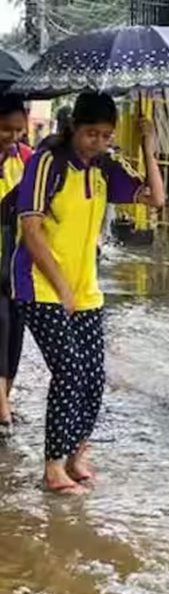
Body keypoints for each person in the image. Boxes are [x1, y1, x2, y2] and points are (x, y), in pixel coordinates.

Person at [13, 92, 164, 495]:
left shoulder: (105, 168)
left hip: (86, 289)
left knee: (94, 377)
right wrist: (61, 284)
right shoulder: (48, 162)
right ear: (73, 128)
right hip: (39, 285)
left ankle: (79, 452)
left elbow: (156, 199)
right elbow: (30, 229)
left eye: (106, 135)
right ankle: (53, 467)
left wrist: (149, 146)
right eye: (91, 134)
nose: (98, 142)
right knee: (69, 372)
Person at [0, 94, 30, 428]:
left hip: (17, 261)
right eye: (6, 130)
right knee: (1, 323)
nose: (13, 137)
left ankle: (5, 398)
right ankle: (3, 412)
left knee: (16, 332)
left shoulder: (25, 159)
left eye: (19, 131)